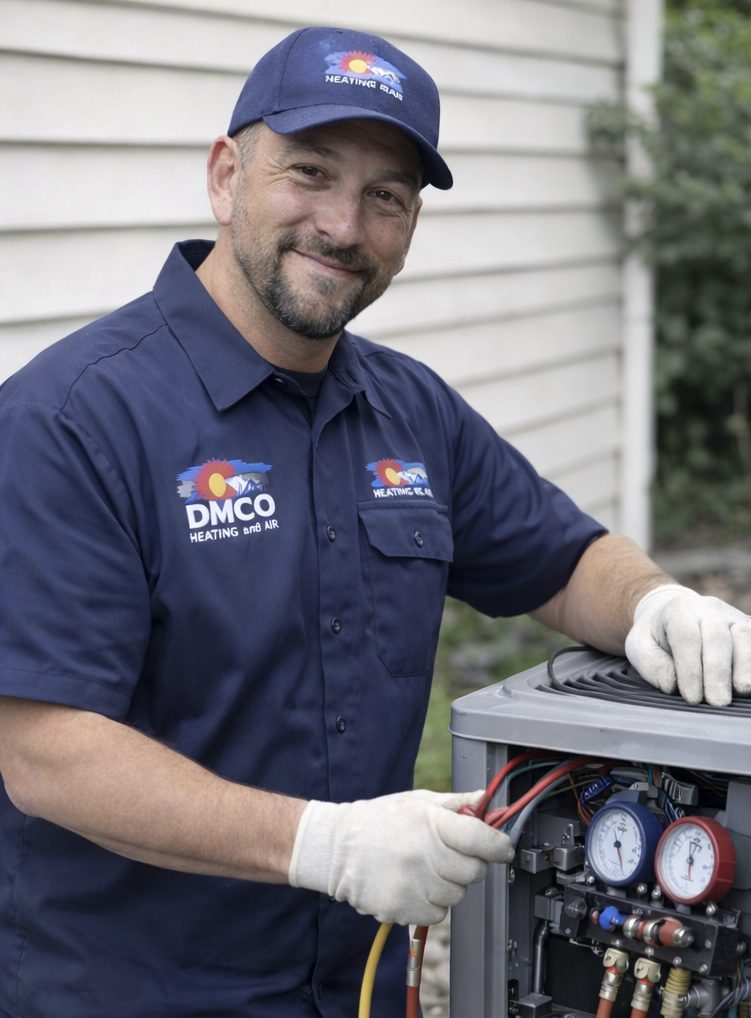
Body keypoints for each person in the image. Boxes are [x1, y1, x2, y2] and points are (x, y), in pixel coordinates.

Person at [0, 23, 749, 1018]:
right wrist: (322, 841)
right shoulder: (73, 419)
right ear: (227, 175)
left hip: (354, 988)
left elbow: (564, 559)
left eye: (386, 196)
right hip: (127, 990)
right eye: (309, 171)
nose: (344, 226)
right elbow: (47, 749)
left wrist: (654, 602)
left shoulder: (410, 412)